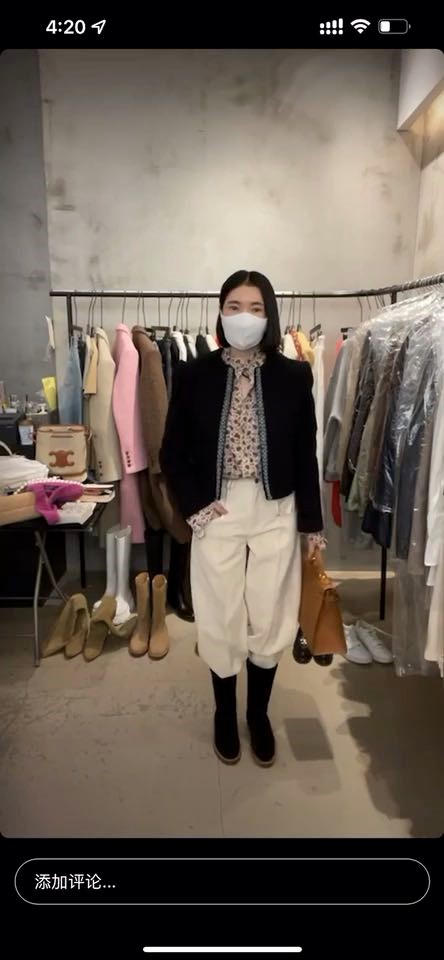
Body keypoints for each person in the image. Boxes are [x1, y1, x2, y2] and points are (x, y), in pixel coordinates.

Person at [160, 270, 324, 767]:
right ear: (220, 312)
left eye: (255, 308)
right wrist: (195, 505)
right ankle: (224, 713)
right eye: (234, 306)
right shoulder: (195, 374)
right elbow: (172, 451)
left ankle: (258, 713)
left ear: (269, 315)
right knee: (219, 612)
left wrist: (311, 524)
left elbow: (305, 454)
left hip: (276, 507)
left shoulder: (294, 376)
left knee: (271, 613)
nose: (244, 317)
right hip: (219, 507)